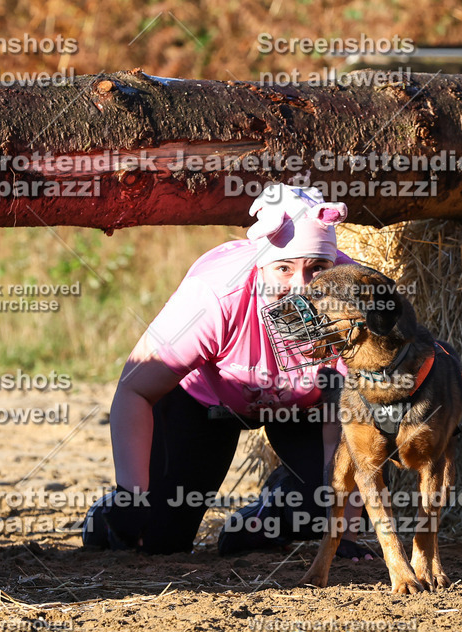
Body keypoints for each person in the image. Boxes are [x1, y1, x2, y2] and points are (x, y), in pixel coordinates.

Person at [82, 183, 370, 557]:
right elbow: (134, 390)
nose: (301, 287)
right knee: (156, 538)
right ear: (261, 264)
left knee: (320, 505)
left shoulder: (354, 295)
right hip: (207, 403)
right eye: (283, 268)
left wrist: (342, 535)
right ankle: (106, 516)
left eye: (317, 268)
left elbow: (349, 418)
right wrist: (131, 495)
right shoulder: (215, 296)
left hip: (303, 407)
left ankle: (268, 513)